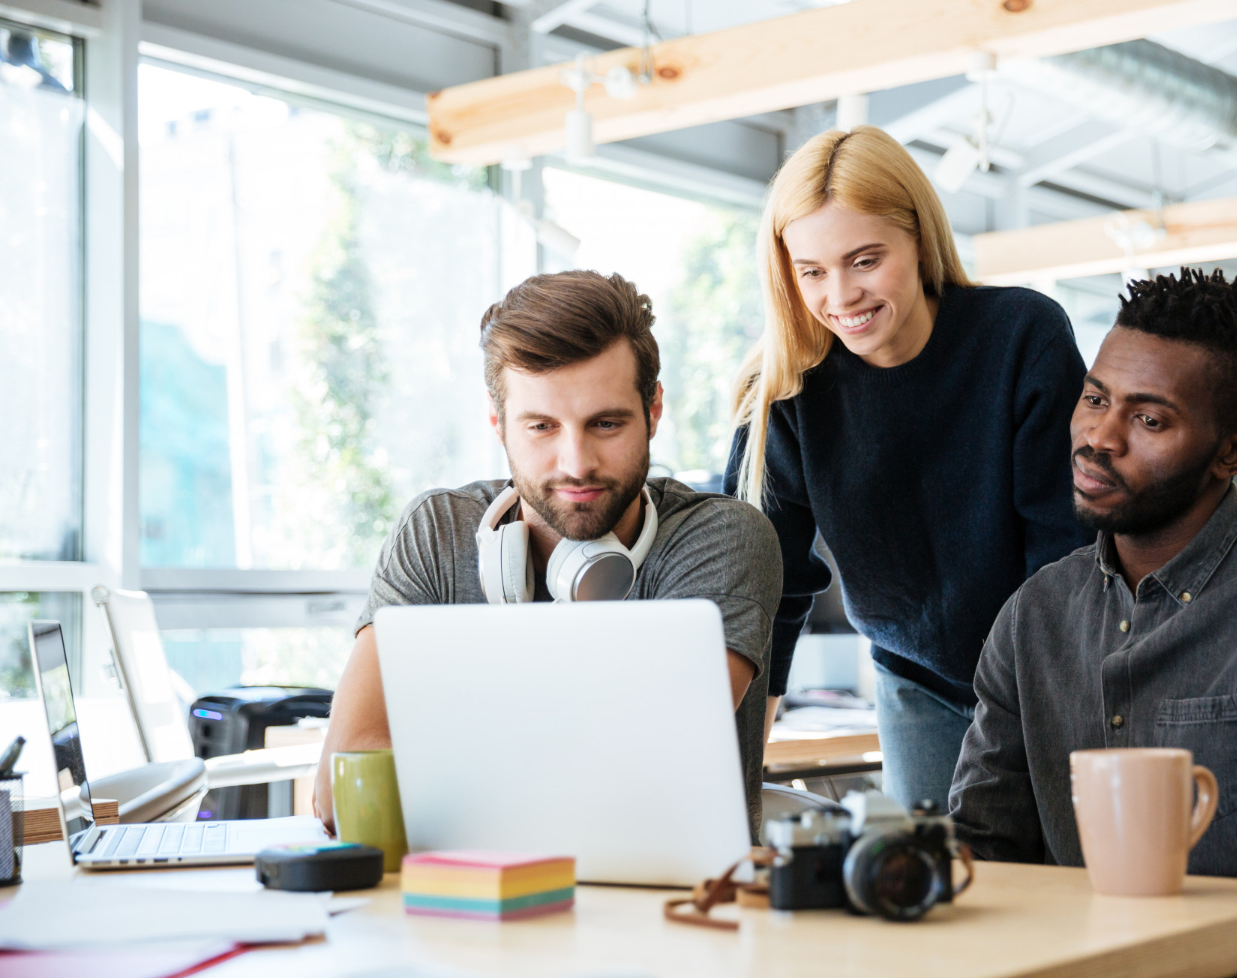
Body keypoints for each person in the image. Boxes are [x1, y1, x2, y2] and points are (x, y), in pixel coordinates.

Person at [950, 267, 1237, 976]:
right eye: (1094, 399)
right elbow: (983, 855)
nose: (1099, 437)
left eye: (1149, 420)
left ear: (1233, 454)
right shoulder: (1034, 618)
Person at [315, 270, 783, 837]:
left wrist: (439, 756)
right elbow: (346, 790)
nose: (576, 463)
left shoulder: (722, 539)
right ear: (498, 424)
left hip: (671, 914)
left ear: (654, 411)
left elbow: (642, 783)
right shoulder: (436, 534)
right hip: (464, 903)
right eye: (541, 426)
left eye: (606, 423)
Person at [724, 125, 1091, 812]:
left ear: (918, 238)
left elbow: (1064, 556)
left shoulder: (1021, 335)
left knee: (1058, 890)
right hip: (917, 681)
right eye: (811, 271)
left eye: (864, 260)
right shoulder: (782, 391)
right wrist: (731, 780)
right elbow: (764, 593)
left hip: (1050, 669)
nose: (840, 296)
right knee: (938, 901)